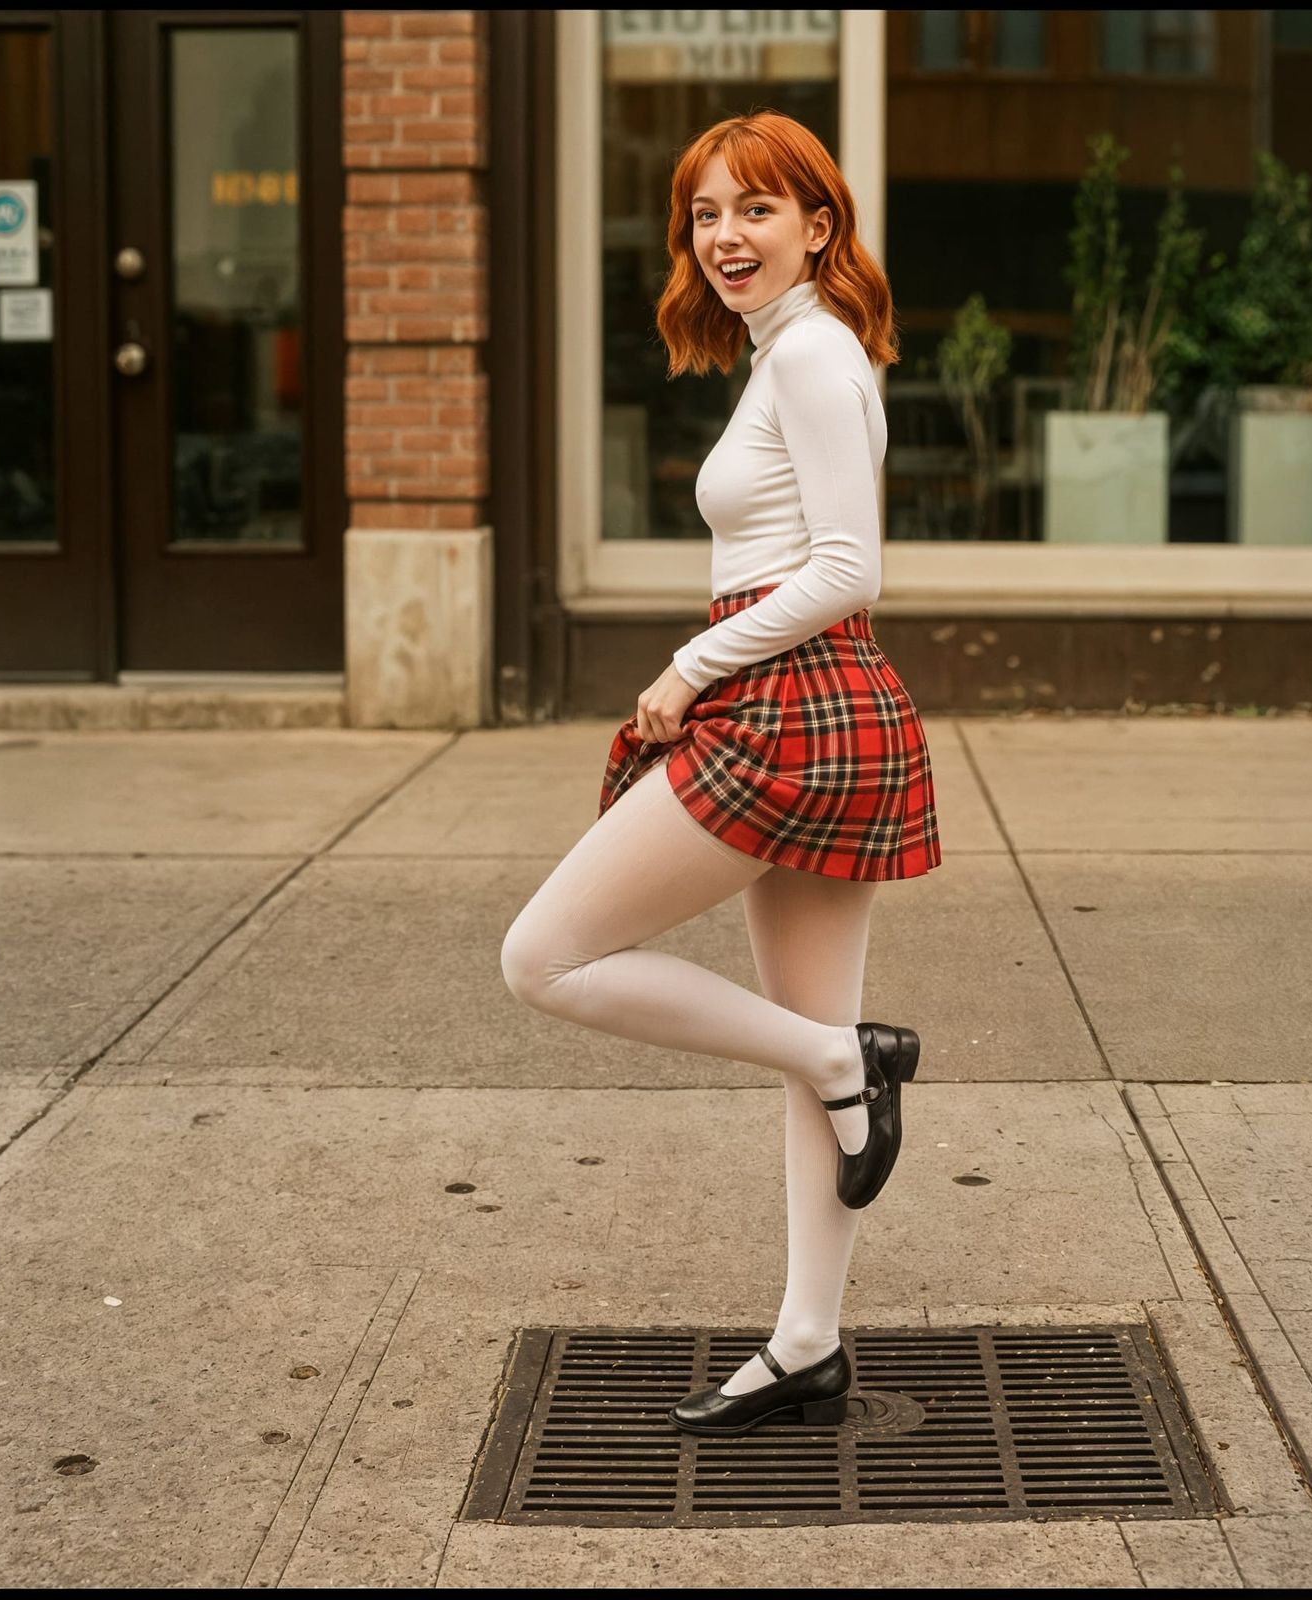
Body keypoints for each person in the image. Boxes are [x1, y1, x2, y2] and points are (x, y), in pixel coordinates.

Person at [500, 109, 942, 1438]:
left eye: (757, 209)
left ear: (820, 224)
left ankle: (841, 1058)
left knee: (545, 957)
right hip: (820, 701)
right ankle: (810, 1343)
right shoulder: (791, 354)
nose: (726, 235)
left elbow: (851, 569)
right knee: (818, 1065)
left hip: (791, 706)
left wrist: (694, 667)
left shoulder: (810, 353)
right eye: (705, 212)